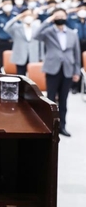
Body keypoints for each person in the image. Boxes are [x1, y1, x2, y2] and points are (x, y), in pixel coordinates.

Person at [34, 8, 81, 137]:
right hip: (52, 68)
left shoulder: (72, 34)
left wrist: (77, 71)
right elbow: (35, 35)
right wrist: (47, 21)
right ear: (53, 18)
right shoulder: (48, 32)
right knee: (50, 98)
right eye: (57, 16)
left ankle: (62, 126)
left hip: (68, 69)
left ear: (66, 17)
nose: (60, 18)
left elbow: (77, 54)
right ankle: (49, 124)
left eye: (62, 15)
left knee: (64, 99)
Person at [3, 10, 42, 75]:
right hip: (20, 56)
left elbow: (41, 44)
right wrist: (16, 18)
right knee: (21, 76)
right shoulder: (17, 27)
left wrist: (41, 57)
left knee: (33, 76)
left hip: (34, 56)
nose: (28, 17)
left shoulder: (37, 28)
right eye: (26, 15)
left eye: (30, 15)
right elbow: (6, 28)